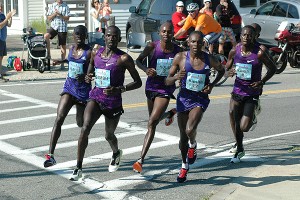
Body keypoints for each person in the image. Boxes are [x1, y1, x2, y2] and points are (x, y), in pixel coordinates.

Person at [70, 25, 142, 181]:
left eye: (115, 36)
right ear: (104, 37)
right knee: (85, 127)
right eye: (109, 36)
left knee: (109, 135)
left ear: (119, 39)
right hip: (96, 97)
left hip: (113, 102)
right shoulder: (96, 52)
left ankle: (116, 152)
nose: (111, 39)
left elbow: (138, 82)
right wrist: (88, 75)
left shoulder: (124, 58)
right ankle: (78, 167)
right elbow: (91, 66)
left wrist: (119, 89)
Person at [165, 31, 225, 183]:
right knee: (182, 138)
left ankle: (194, 144)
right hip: (184, 99)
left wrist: (211, 84)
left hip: (200, 99)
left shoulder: (209, 58)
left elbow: (221, 70)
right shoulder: (180, 58)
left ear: (203, 44)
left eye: (199, 42)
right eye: (193, 42)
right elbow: (167, 81)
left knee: (190, 129)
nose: (196, 45)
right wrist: (176, 77)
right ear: (188, 43)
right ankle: (184, 164)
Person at [132, 21, 181, 173]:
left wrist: (179, 78)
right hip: (151, 87)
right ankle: (171, 113)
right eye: (164, 31)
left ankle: (140, 160)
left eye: (170, 31)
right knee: (153, 121)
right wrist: (146, 70)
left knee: (152, 122)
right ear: (160, 33)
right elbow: (138, 61)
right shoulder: (152, 46)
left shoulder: (178, 51)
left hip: (165, 89)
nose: (167, 34)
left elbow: (185, 66)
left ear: (174, 33)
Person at [225, 25, 276, 163]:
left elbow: (273, 68)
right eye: (244, 35)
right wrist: (228, 72)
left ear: (254, 37)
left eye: (249, 35)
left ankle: (252, 113)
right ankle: (239, 148)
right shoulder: (235, 50)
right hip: (237, 91)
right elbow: (227, 67)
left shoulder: (260, 52)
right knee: (235, 119)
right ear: (240, 36)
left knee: (244, 127)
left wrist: (262, 81)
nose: (246, 37)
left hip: (252, 92)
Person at [44, 25, 92, 168]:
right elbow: (71, 61)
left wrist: (87, 76)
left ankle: (82, 151)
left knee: (80, 124)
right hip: (69, 87)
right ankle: (50, 155)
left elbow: (94, 70)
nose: (78, 36)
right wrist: (61, 61)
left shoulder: (89, 52)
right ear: (73, 35)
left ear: (85, 36)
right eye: (76, 34)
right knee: (59, 118)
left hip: (83, 91)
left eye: (81, 34)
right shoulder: (71, 49)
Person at [0, 3, 16, 82]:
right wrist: (7, 18)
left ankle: (0, 74)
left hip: (3, 39)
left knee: (1, 57)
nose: (0, 8)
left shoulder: (2, 15)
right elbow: (0, 26)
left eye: (1, 6)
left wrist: (10, 18)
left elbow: (8, 25)